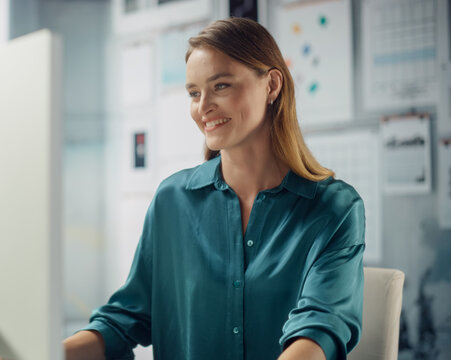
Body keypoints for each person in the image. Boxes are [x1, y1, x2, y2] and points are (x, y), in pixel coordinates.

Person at [64, 17, 365, 360]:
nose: (202, 106)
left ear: (271, 86)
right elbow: (123, 320)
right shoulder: (171, 201)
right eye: (194, 93)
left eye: (220, 86)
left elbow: (319, 330)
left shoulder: (334, 209)